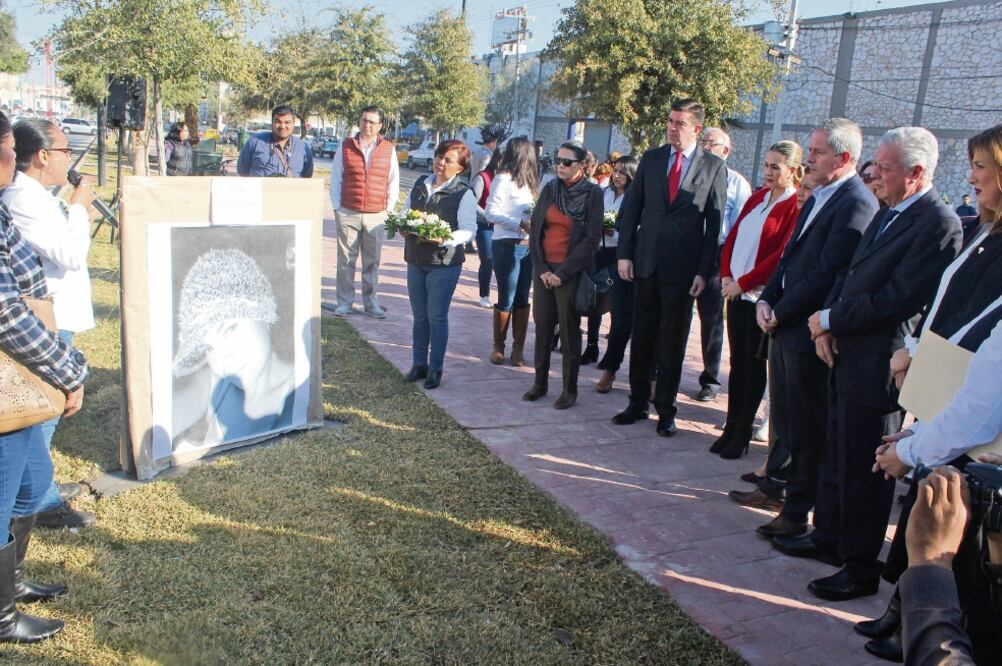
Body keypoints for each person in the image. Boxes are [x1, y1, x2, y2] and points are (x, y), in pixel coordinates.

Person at [795, 126, 962, 602]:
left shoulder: (937, 222)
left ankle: (859, 564)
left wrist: (831, 317)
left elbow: (897, 298)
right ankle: (828, 537)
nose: (876, 176)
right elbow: (852, 276)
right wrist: (826, 325)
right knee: (837, 452)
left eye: (884, 169)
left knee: (866, 467)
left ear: (915, 172)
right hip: (846, 350)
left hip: (879, 361)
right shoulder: (891, 210)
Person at [862, 123, 1002, 662]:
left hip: (969, 443)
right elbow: (951, 308)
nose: (971, 179)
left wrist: (911, 448)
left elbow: (983, 403)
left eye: (982, 167)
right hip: (937, 409)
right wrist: (914, 352)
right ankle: (908, 615)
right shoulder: (986, 236)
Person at [743, 119, 877, 526]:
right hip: (784, 325)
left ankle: (798, 512)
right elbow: (789, 259)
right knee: (787, 423)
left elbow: (827, 273)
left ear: (844, 157)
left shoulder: (855, 202)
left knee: (806, 429)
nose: (810, 158)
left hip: (808, 331)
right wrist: (767, 299)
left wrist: (781, 311)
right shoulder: (821, 195)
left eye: (817, 152)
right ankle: (790, 504)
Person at [0, 110, 88, 644]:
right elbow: (8, 312)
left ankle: (10, 584)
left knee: (29, 485)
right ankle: (2, 618)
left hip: (26, 368)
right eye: (6, 148)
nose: (13, 159)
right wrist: (67, 369)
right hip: (16, 371)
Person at [612, 99, 727, 437]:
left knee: (672, 342)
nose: (672, 128)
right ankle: (636, 403)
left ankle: (666, 409)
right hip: (645, 263)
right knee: (643, 335)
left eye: (680, 122)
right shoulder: (652, 159)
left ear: (696, 128)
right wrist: (625, 254)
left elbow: (714, 225)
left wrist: (703, 272)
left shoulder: (713, 167)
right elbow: (631, 209)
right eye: (670, 120)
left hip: (683, 270)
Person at [712, 141, 802, 460]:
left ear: (792, 171)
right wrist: (726, 275)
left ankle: (743, 432)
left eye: (775, 167)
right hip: (735, 292)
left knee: (753, 367)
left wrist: (745, 283)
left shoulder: (795, 205)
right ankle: (730, 425)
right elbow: (734, 236)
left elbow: (781, 256)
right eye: (766, 165)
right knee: (737, 365)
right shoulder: (756, 198)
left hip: (759, 298)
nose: (768, 172)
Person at [171, 248, 295, 451]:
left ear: (263, 314)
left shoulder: (300, 391)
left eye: (229, 329)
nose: (223, 357)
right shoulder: (218, 383)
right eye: (208, 348)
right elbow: (173, 413)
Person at [522, 141, 604, 409]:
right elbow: (535, 231)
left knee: (569, 332)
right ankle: (540, 383)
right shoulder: (550, 188)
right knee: (543, 327)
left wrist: (564, 273)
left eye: (567, 162)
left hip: (569, 272)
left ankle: (569, 389)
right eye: (558, 160)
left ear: (581, 166)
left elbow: (591, 239)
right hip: (545, 270)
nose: (560, 165)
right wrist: (543, 269)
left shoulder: (593, 195)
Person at [400, 140, 477, 389]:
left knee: (436, 317)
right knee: (419, 317)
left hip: (443, 264)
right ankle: (418, 363)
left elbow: (468, 231)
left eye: (448, 160)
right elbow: (404, 212)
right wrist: (403, 225)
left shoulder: (463, 193)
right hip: (415, 258)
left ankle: (435, 368)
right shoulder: (421, 184)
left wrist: (445, 238)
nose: (440, 163)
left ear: (461, 168)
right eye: (439, 156)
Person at [693, 127, 753, 402]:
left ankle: (710, 378)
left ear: (724, 151)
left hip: (717, 254)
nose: (704, 146)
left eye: (710, 143)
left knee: (712, 317)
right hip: (685, 252)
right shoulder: (608, 191)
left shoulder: (736, 183)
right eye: (702, 141)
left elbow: (739, 227)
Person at [330, 106, 399, 319]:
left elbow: (393, 180)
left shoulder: (388, 148)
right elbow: (336, 178)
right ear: (359, 122)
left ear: (379, 125)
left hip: (376, 214)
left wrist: (388, 211)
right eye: (364, 120)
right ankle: (344, 302)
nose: (367, 125)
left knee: (372, 261)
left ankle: (371, 303)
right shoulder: (346, 146)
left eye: (372, 122)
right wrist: (337, 207)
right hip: (348, 212)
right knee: (345, 261)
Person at [485, 137, 539, 367]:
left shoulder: (532, 182)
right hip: (506, 243)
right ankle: (499, 346)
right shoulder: (502, 179)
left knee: (523, 296)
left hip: (527, 246)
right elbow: (490, 212)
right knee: (507, 295)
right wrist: (519, 223)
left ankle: (518, 348)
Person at [594, 155, 638, 392]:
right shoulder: (605, 193)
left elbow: (625, 229)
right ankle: (593, 347)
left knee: (622, 315)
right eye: (615, 170)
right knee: (597, 300)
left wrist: (612, 229)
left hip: (623, 257)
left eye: (622, 171)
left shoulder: (634, 198)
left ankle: (613, 368)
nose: (617, 175)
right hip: (602, 252)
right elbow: (600, 220)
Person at [236, 105, 314, 178]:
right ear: (272, 123)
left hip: (291, 192)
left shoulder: (303, 148)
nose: (282, 126)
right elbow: (242, 171)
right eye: (278, 121)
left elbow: (307, 177)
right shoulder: (255, 142)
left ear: (293, 124)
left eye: (287, 122)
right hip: (261, 192)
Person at [472, 149, 500, 309]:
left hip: (504, 227)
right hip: (485, 226)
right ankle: (484, 294)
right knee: (488, 260)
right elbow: (472, 202)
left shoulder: (511, 180)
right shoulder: (482, 178)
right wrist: (487, 216)